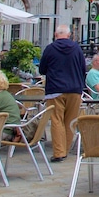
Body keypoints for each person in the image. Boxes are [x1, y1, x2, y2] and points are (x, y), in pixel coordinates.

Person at [38, 24, 87, 163]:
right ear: (69, 35)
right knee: (70, 120)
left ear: (55, 34)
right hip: (75, 89)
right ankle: (65, 149)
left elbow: (42, 69)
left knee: (56, 120)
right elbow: (83, 68)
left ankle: (59, 152)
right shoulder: (77, 49)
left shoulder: (50, 48)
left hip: (55, 88)